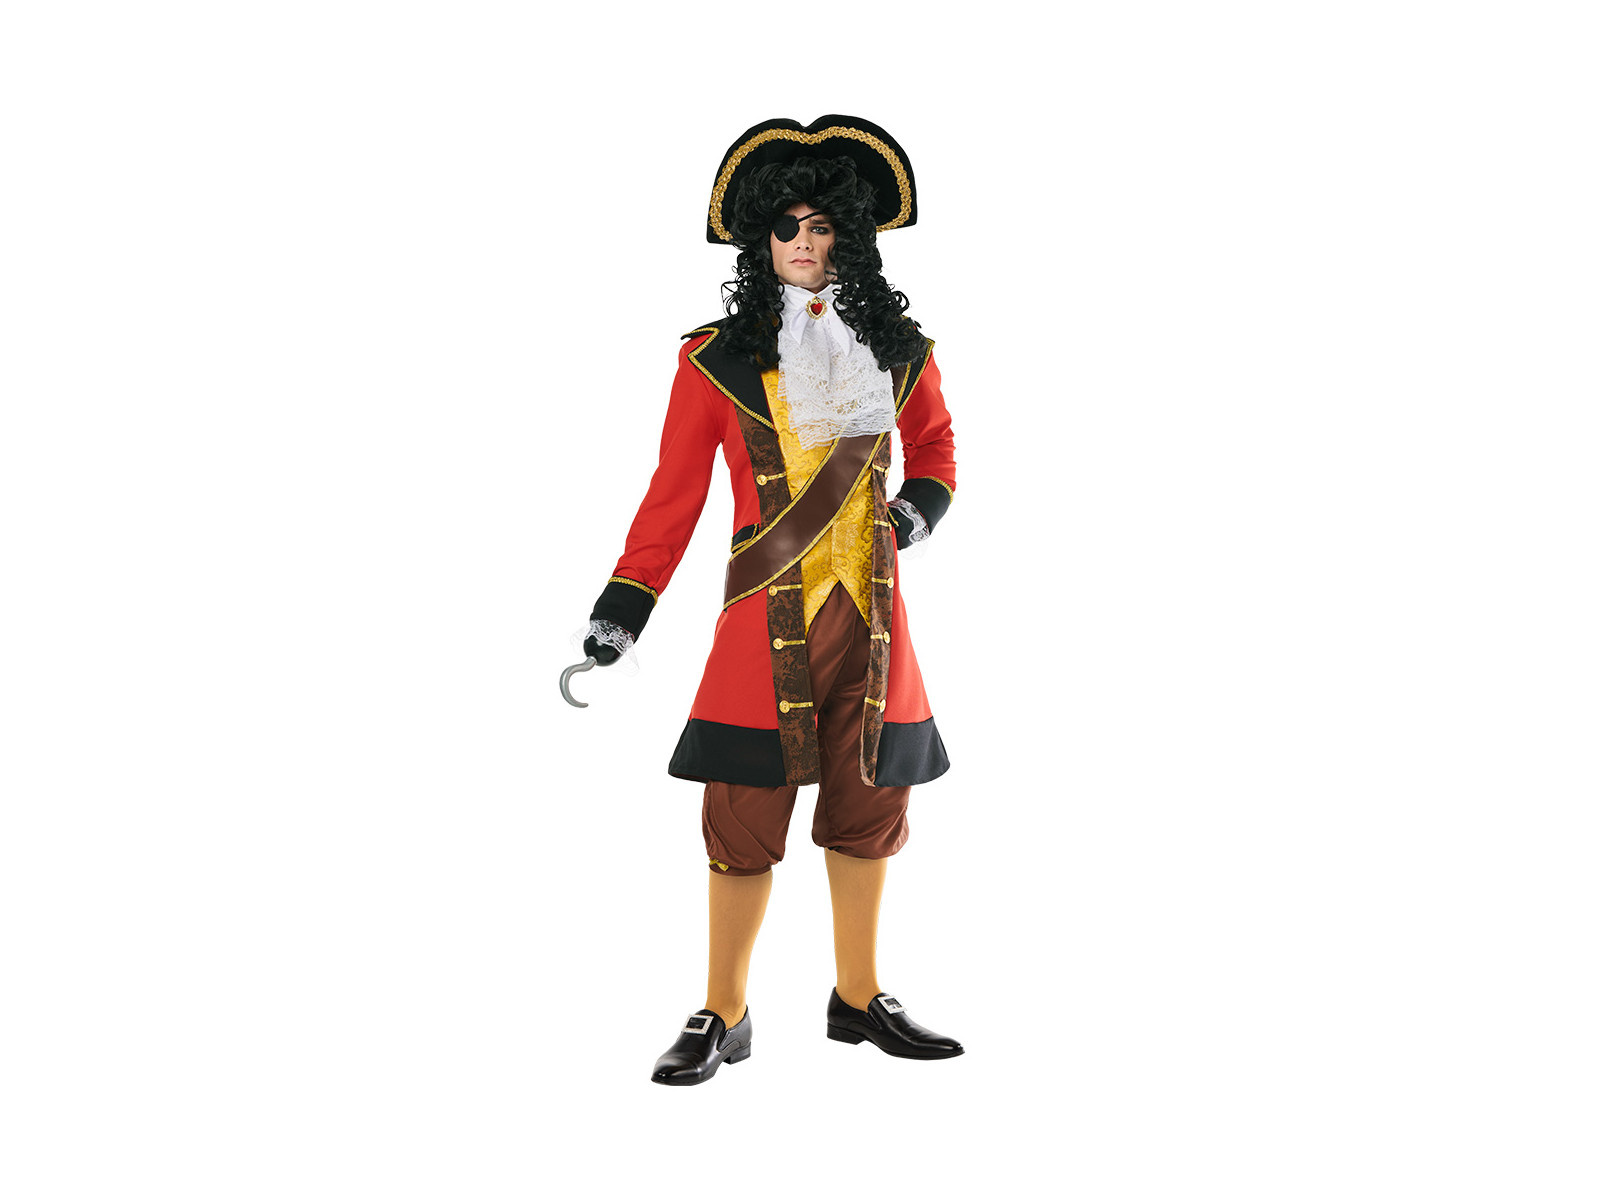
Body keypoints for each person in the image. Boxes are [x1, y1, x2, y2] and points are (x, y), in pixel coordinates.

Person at [577, 116, 962, 1085]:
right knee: (743, 811)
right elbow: (672, 497)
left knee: (869, 803)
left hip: (873, 620)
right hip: (762, 622)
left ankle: (860, 996)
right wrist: (623, 609)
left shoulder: (900, 351)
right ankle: (723, 1010)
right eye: (786, 226)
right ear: (761, 239)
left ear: (849, 239)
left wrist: (913, 514)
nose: (803, 242)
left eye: (821, 226)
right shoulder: (711, 361)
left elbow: (937, 449)